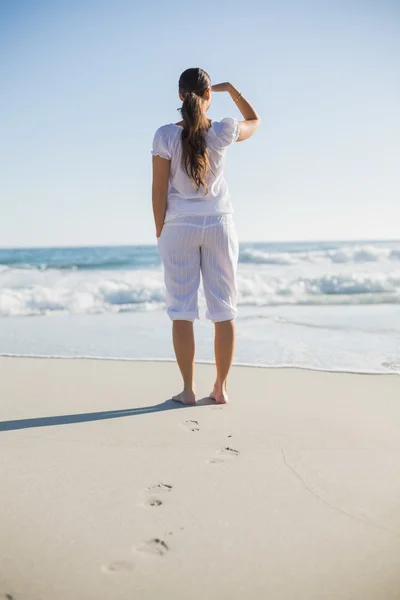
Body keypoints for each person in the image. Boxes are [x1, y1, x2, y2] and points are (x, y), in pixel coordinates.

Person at [151, 67, 261, 405]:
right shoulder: (224, 130)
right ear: (209, 95)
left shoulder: (165, 135)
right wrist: (233, 91)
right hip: (219, 225)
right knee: (223, 309)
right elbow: (254, 121)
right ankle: (221, 388)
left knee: (181, 309)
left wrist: (161, 233)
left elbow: (158, 191)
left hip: (179, 227)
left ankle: (187, 390)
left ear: (180, 96)